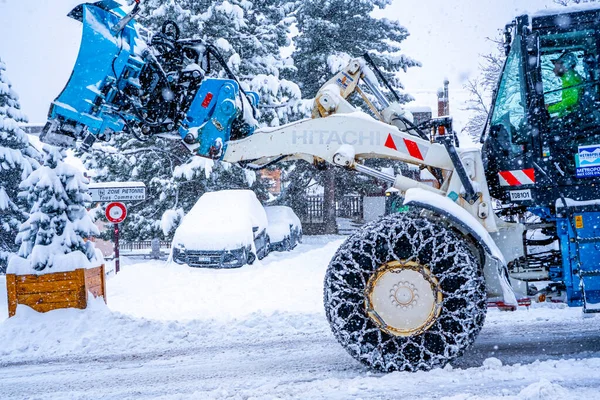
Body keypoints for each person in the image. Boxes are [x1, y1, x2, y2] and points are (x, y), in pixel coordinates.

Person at [546, 52, 584, 118]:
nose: (553, 70)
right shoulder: (571, 76)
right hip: (575, 115)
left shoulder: (569, 79)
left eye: (556, 66)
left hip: (575, 117)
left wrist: (549, 109)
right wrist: (559, 116)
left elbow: (571, 101)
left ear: (565, 65)